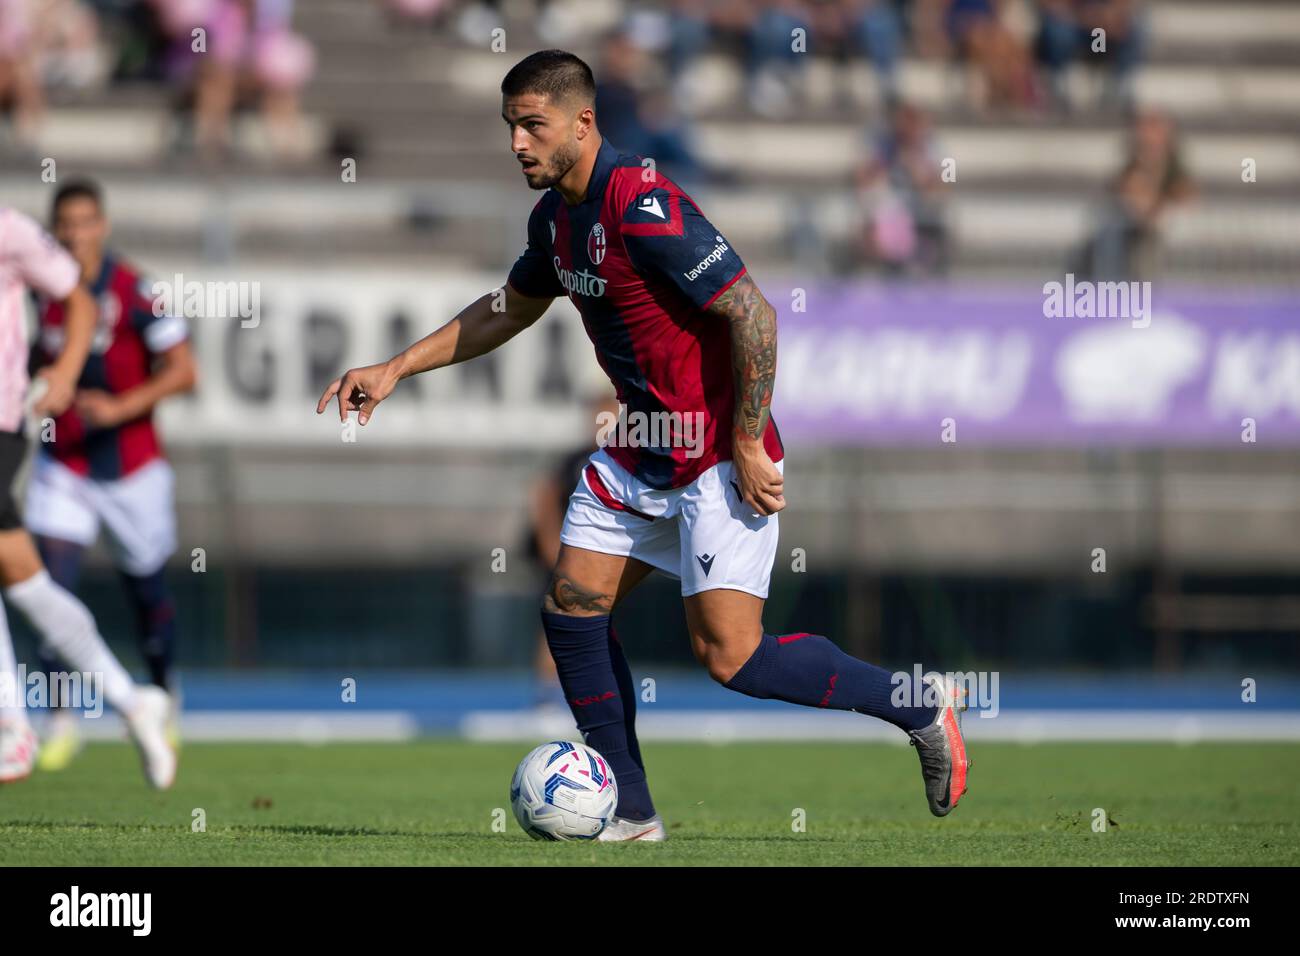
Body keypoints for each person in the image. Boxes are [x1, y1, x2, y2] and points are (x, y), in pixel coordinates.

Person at [317, 50, 969, 840]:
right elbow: (505, 309)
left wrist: (749, 441)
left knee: (733, 659)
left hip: (717, 457)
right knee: (572, 606)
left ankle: (917, 707)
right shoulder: (554, 220)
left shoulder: (644, 204)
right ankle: (630, 810)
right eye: (510, 127)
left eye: (533, 125)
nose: (518, 143)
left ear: (583, 123)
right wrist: (396, 368)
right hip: (638, 446)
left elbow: (755, 315)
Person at [0, 204, 175, 788]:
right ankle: (127, 700)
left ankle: (15, 725)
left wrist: (69, 375)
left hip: (23, 428)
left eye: (85, 220)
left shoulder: (13, 232)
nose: (75, 232)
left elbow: (82, 303)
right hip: (64, 459)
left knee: (143, 583)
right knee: (27, 578)